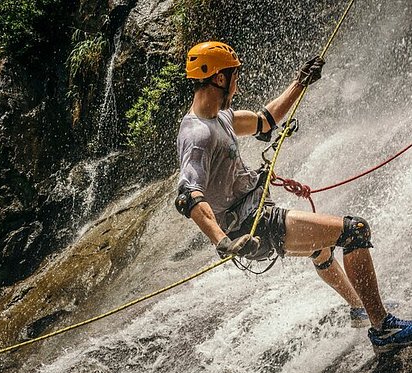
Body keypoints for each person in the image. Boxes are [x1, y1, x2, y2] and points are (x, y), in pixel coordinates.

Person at [175, 41, 412, 353]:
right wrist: (223, 241)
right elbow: (189, 196)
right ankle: (382, 328)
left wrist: (301, 82)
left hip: (254, 219)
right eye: (234, 75)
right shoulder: (197, 135)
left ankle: (361, 309)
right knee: (354, 231)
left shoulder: (221, 118)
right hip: (252, 227)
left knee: (322, 248)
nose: (237, 82)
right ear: (219, 78)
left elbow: (266, 119)